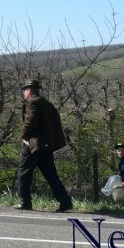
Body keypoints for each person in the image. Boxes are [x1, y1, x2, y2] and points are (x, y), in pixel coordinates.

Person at [14, 79, 73, 213]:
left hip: (34, 143)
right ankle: (65, 202)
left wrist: (23, 135)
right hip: (46, 145)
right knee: (51, 175)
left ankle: (25, 202)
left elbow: (30, 120)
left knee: (23, 172)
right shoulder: (46, 102)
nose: (24, 93)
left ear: (29, 90)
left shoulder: (32, 102)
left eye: (24, 90)